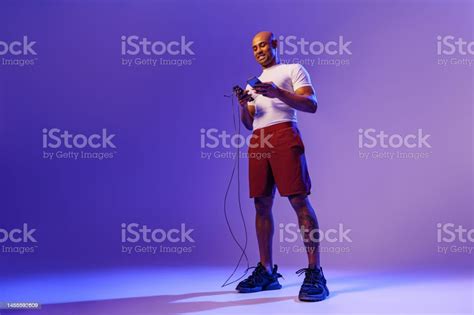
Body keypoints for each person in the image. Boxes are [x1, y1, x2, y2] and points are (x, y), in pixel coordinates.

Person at [235, 31, 329, 302]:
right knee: (261, 204)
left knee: (299, 201)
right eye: (254, 47)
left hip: (285, 134)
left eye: (263, 44)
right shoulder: (253, 84)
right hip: (259, 139)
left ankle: (315, 272)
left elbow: (311, 104)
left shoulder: (293, 69)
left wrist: (277, 92)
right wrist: (245, 105)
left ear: (275, 45)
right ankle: (266, 271)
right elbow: (249, 123)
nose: (259, 50)